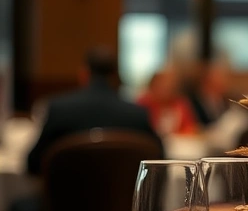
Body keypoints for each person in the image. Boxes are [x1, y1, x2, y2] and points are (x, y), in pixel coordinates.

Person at [26, 47, 162, 175]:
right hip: (123, 199)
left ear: (84, 73)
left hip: (64, 198)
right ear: (115, 75)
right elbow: (159, 159)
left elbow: (33, 163)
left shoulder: (59, 109)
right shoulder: (137, 114)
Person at [137, 69, 199, 136]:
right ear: (152, 85)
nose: (167, 87)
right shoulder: (143, 104)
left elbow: (191, 127)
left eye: (170, 84)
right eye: (162, 83)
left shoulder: (181, 104)